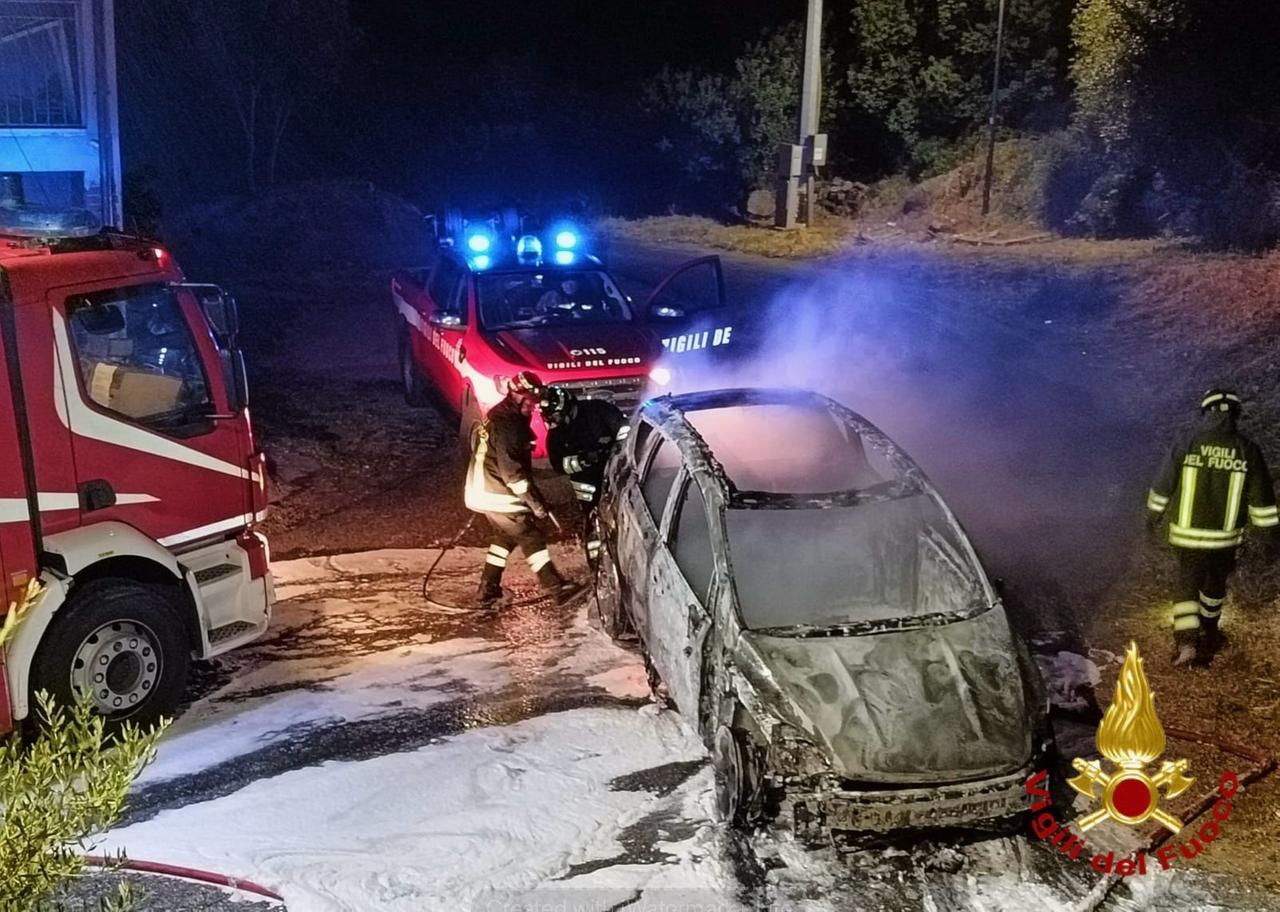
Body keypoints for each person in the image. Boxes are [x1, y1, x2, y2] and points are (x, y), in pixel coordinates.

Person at [1146, 388, 1279, 666]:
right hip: (1224, 539)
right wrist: (1270, 538)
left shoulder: (1188, 442)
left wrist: (1153, 517)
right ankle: (1210, 629)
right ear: (1236, 415)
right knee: (1215, 586)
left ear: (1205, 412)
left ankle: (1187, 644)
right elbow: (1262, 499)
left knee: (1187, 586)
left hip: (1187, 536)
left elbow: (1163, 485)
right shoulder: (1247, 449)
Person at [464, 371, 582, 608]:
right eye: (530, 401)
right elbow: (513, 474)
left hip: (484, 489)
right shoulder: (509, 425)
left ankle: (488, 589)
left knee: (505, 537)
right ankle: (556, 588)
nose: (534, 406)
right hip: (496, 492)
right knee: (530, 535)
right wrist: (535, 504)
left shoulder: (504, 415)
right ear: (517, 397)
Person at [542, 387, 629, 565]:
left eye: (557, 416)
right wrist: (583, 460)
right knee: (593, 521)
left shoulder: (599, 410)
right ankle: (596, 563)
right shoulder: (556, 435)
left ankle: (626, 552)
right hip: (587, 484)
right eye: (552, 417)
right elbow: (559, 465)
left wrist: (618, 450)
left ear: (569, 408)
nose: (555, 421)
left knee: (625, 514)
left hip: (617, 473)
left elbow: (625, 429)